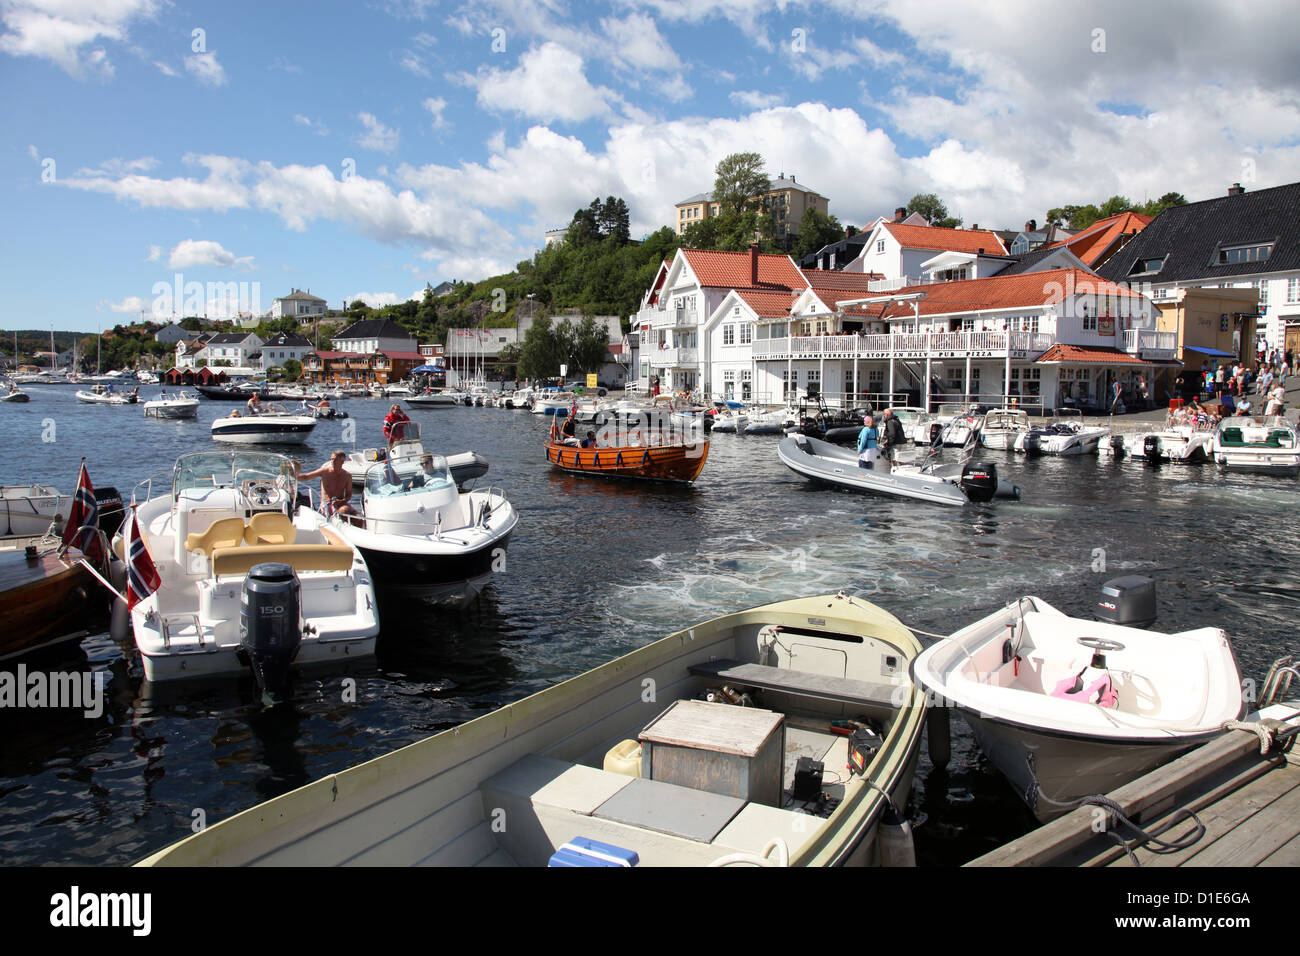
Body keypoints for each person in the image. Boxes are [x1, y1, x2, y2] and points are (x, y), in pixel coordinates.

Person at [296, 450, 358, 519]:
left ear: (342, 462)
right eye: (332, 459)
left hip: (341, 503)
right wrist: (294, 475)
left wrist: (342, 501)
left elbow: (349, 495)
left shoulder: (347, 476)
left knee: (358, 517)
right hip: (327, 504)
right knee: (344, 511)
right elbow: (306, 477)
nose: (333, 462)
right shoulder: (324, 472)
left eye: (336, 460)